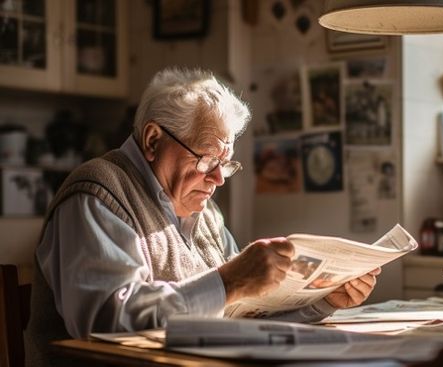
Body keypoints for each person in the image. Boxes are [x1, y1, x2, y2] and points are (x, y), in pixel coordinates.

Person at [25, 68, 381, 367]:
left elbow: (237, 314)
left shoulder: (205, 212)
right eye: (209, 160)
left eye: (225, 163)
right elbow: (107, 322)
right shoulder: (97, 192)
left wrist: (322, 303)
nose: (219, 178)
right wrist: (229, 282)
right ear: (152, 140)